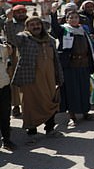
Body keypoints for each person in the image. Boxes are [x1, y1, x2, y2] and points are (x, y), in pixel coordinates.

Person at [5, 13, 64, 141]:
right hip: (30, 79)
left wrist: (58, 77)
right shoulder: (24, 38)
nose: (36, 26)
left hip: (49, 78)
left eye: (38, 24)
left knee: (50, 101)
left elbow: (55, 60)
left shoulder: (50, 39)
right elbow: (11, 38)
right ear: (27, 27)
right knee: (30, 104)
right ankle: (32, 132)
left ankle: (50, 129)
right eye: (32, 25)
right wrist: (9, 20)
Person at [51, 10, 94, 128]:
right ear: (66, 20)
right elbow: (55, 29)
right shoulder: (64, 30)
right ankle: (72, 117)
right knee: (72, 91)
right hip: (70, 66)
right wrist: (53, 14)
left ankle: (85, 112)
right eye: (71, 17)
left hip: (84, 65)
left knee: (84, 90)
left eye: (76, 17)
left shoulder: (83, 30)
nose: (73, 19)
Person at [0, 38, 14, 150]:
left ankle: (6, 140)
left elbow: (8, 58)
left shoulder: (3, 48)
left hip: (3, 86)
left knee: (5, 115)